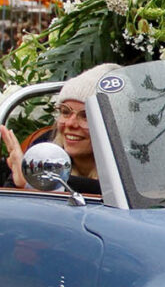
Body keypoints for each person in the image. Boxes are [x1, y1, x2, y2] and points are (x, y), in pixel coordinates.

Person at [1, 63, 119, 195]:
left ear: (114, 127)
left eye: (86, 115)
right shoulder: (44, 150)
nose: (70, 123)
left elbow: (112, 195)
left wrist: (36, 182)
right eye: (65, 112)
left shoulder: (133, 171)